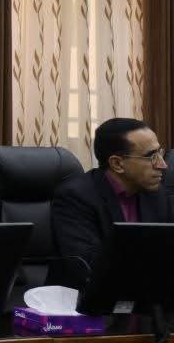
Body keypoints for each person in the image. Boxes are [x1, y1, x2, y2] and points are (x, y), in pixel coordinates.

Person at [48, 118, 169, 290]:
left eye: (160, 153)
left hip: (146, 297)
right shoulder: (75, 197)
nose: (162, 165)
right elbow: (90, 266)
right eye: (151, 156)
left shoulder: (156, 193)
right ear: (117, 164)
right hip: (86, 299)